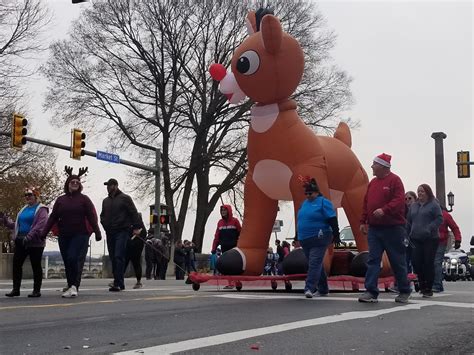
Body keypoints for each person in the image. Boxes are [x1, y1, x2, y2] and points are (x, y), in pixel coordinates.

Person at [358, 153, 411, 304]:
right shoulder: (372, 183)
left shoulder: (395, 180)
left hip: (394, 228)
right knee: (373, 259)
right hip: (375, 229)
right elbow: (366, 202)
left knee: (397, 260)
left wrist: (385, 210)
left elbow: (399, 200)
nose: (372, 167)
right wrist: (363, 221)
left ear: (383, 166)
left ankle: (404, 290)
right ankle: (371, 291)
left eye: (374, 164)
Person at [42, 167, 102, 298]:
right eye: (72, 182)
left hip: (80, 234)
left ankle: (74, 286)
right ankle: (70, 285)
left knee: (72, 257)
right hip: (64, 235)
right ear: (67, 184)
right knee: (67, 261)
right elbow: (53, 217)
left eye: (77, 182)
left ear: (80, 185)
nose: (75, 184)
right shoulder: (60, 200)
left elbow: (91, 216)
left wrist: (97, 232)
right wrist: (44, 233)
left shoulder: (84, 199)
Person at [297, 177, 340, 298]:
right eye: (306, 194)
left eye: (310, 193)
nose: (308, 196)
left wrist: (336, 234)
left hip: (319, 237)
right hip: (305, 237)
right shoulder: (304, 204)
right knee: (315, 263)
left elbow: (332, 218)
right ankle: (323, 288)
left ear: (316, 192)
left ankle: (309, 287)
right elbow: (301, 219)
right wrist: (296, 235)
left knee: (314, 262)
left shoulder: (323, 202)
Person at [1, 187, 48, 298]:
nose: (27, 197)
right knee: (16, 264)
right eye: (25, 195)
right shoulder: (23, 209)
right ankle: (15, 289)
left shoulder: (42, 209)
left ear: (36, 196)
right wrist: (5, 220)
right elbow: (16, 225)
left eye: (30, 195)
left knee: (35, 265)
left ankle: (36, 290)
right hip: (21, 240)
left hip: (35, 242)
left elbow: (40, 225)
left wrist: (30, 236)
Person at [100, 178, 141, 292]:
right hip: (110, 232)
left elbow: (133, 213)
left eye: (110, 185)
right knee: (113, 257)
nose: (108, 188)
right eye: (107, 186)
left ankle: (118, 282)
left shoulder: (125, 198)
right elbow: (102, 215)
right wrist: (105, 226)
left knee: (119, 256)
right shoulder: (106, 201)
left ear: (115, 186)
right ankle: (118, 281)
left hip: (122, 231)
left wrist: (136, 227)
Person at [407, 184, 443, 297]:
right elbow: (409, 221)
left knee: (428, 262)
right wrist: (407, 233)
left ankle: (428, 287)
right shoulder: (414, 206)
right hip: (415, 238)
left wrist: (430, 228)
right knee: (416, 262)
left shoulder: (433, 204)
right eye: (418, 191)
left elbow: (439, 218)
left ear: (427, 192)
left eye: (422, 191)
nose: (420, 193)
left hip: (430, 238)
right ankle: (421, 284)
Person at [433, 207, 462, 292]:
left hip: (441, 242)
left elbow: (454, 228)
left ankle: (437, 285)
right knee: (432, 263)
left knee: (436, 262)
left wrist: (458, 240)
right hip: (430, 242)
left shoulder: (445, 215)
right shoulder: (428, 214)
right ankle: (437, 285)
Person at [125, 214, 147, 289]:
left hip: (136, 247)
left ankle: (138, 281)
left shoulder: (141, 227)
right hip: (129, 246)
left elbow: (144, 234)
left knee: (136, 263)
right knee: (125, 263)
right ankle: (118, 279)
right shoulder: (130, 225)